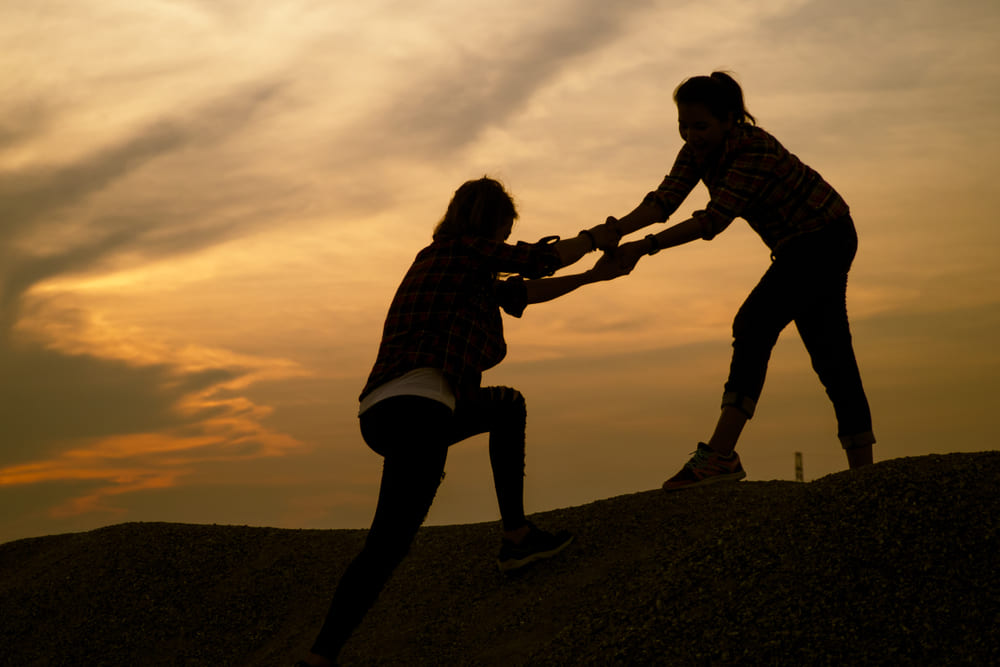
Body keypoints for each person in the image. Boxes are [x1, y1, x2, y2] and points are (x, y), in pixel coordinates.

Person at [297, 177, 627, 666]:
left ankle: (516, 537)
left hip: (386, 410)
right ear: (489, 226)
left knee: (507, 405)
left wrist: (594, 278)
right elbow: (539, 261)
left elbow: (522, 294)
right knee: (387, 546)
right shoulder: (460, 252)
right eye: (501, 233)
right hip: (419, 410)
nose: (501, 244)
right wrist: (601, 235)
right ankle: (321, 654)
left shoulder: (448, 265)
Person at [608, 71, 875, 491]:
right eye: (683, 125)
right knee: (831, 354)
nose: (690, 135)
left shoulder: (754, 150)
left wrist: (644, 248)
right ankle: (866, 476)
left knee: (754, 323)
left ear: (729, 119)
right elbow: (664, 201)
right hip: (795, 247)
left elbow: (713, 219)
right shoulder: (697, 150)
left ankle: (720, 454)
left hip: (825, 238)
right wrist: (610, 231)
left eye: (700, 125)